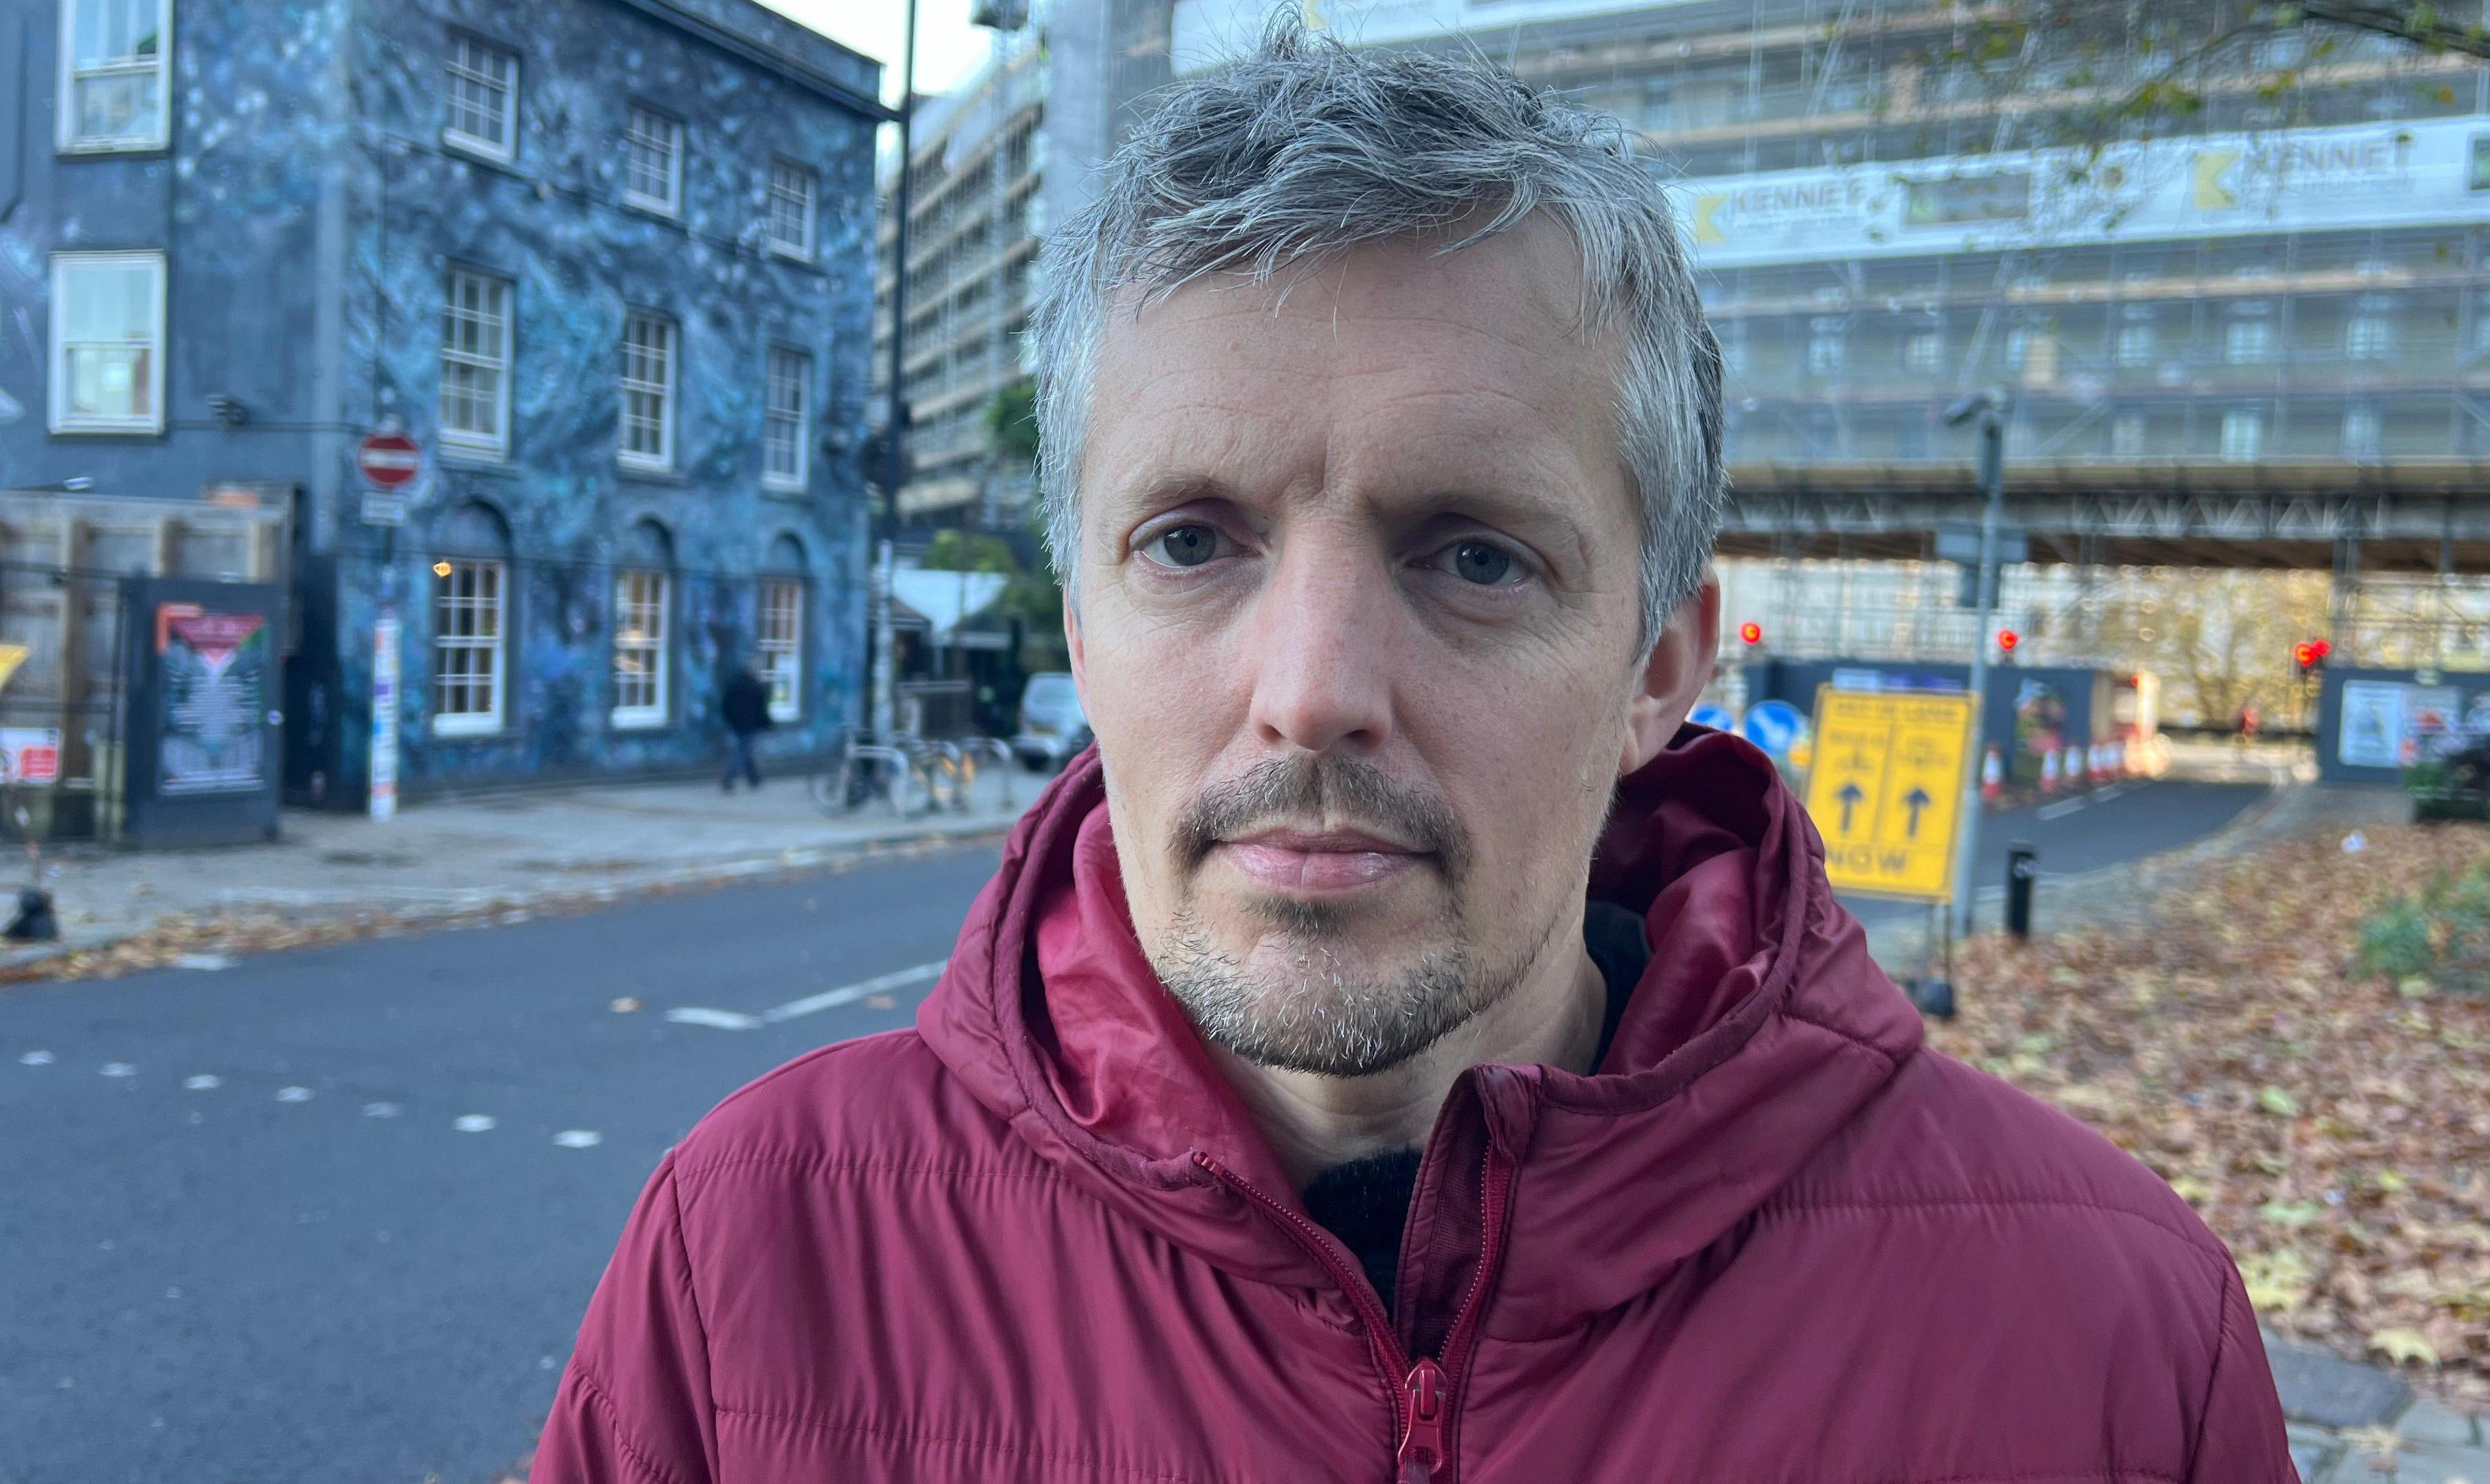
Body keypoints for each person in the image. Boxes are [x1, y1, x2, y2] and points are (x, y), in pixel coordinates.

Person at [534, 22, 2293, 1483]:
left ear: (1655, 663)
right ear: (1080, 624)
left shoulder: (2107, 1340)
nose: (1309, 688)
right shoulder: (754, 1261)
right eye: (1192, 542)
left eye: (1469, 553)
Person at [717, 665, 770, 791]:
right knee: (743, 752)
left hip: (737, 725)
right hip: (751, 725)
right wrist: (767, 724)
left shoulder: (734, 685)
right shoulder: (755, 687)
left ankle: (754, 778)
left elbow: (725, 704)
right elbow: (761, 709)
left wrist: (730, 720)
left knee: (745, 750)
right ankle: (729, 778)